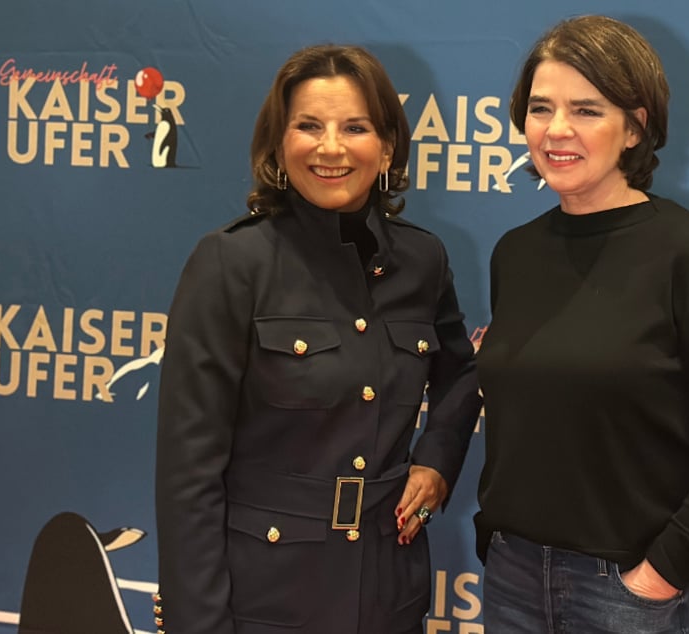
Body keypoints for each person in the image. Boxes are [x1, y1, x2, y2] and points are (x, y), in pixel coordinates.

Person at [154, 44, 482, 634]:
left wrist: (436, 462)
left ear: (386, 146)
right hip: (264, 598)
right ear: (280, 145)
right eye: (308, 126)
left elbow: (463, 373)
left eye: (354, 127)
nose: (330, 148)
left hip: (388, 591)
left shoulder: (422, 260)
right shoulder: (232, 262)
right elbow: (188, 476)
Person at [475, 15, 689, 633]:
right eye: (540, 108)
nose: (556, 130)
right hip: (511, 579)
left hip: (626, 592)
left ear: (635, 127)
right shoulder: (515, 252)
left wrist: (659, 573)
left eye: (587, 110)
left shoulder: (686, 251)